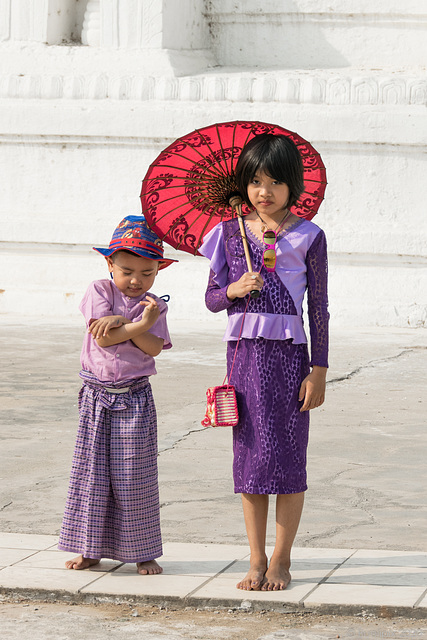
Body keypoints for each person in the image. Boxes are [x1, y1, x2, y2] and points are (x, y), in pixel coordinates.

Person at [199, 133, 329, 592]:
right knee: (250, 459)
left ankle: (282, 560)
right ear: (243, 186)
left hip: (292, 361)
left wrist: (319, 369)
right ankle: (254, 559)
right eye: (255, 181)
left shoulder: (310, 236)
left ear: (293, 186)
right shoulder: (229, 233)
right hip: (244, 361)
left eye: (275, 181)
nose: (264, 192)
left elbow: (318, 308)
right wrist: (234, 290)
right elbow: (213, 299)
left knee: (290, 458)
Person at [58, 215, 177, 575]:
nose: (136, 281)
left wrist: (134, 324)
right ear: (109, 264)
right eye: (126, 271)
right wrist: (139, 326)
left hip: (135, 398)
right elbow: (103, 337)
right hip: (96, 397)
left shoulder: (155, 306)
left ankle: (142, 552)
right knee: (92, 475)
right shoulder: (99, 291)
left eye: (147, 273)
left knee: (133, 477)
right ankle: (89, 548)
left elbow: (153, 348)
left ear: (158, 270)